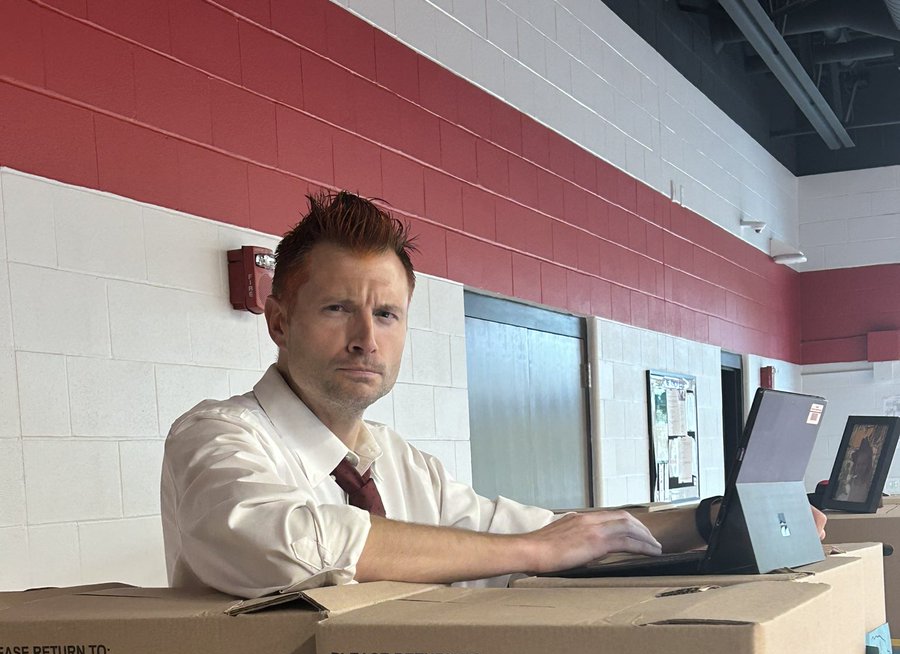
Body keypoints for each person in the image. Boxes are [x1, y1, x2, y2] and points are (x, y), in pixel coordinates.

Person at [161, 191, 821, 597]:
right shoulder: (220, 437)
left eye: (386, 315)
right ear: (278, 321)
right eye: (338, 308)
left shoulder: (400, 466)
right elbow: (277, 543)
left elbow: (542, 532)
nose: (366, 338)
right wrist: (533, 552)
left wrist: (705, 521)